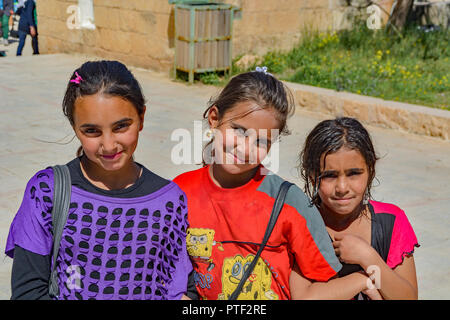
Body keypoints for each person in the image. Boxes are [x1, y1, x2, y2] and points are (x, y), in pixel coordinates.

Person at [173, 70, 376, 300]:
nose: (246, 148)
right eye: (238, 131)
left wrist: (364, 279)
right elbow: (171, 276)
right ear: (214, 119)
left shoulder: (290, 203)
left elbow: (321, 286)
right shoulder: (178, 194)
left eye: (261, 141)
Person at [5, 60, 197, 300]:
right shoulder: (48, 192)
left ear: (142, 117)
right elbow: (28, 292)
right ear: (74, 127)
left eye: (121, 127)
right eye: (92, 131)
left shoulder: (169, 200)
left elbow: (179, 287)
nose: (108, 145)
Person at [297, 117, 419, 300]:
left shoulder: (390, 222)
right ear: (313, 177)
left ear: (370, 171)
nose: (342, 187)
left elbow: (408, 298)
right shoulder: (300, 224)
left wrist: (368, 257)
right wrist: (362, 280)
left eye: (354, 173)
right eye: (330, 176)